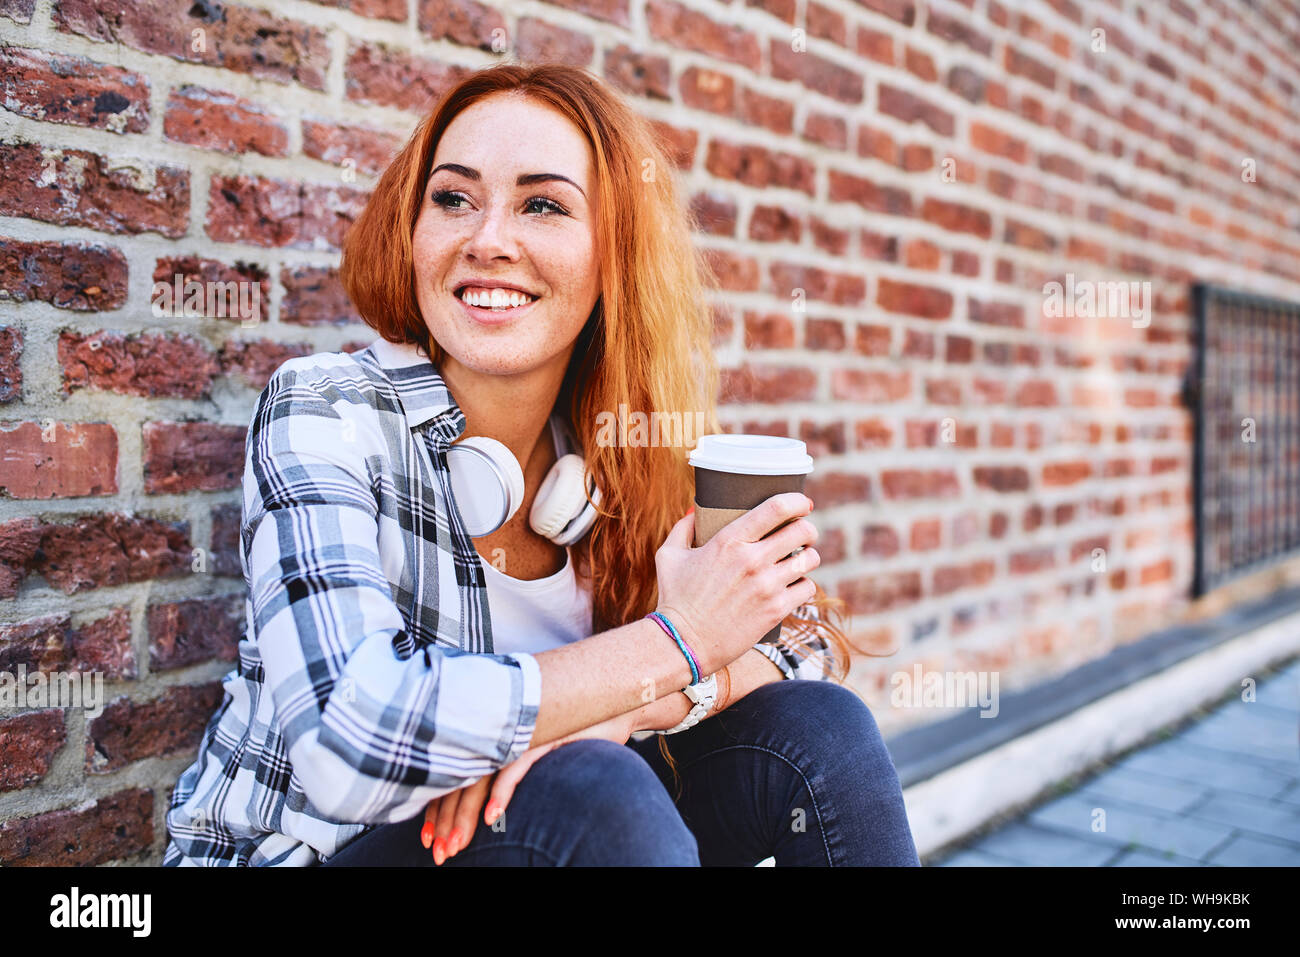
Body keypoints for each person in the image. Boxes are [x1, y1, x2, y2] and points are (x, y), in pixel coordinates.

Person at [163, 62, 919, 867]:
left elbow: (802, 637)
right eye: (452, 198)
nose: (488, 240)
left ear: (613, 257)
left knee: (819, 732)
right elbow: (350, 739)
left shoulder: (616, 446)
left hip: (552, 830)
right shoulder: (327, 410)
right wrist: (678, 639)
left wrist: (619, 712)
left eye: (543, 205)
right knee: (597, 790)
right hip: (323, 854)